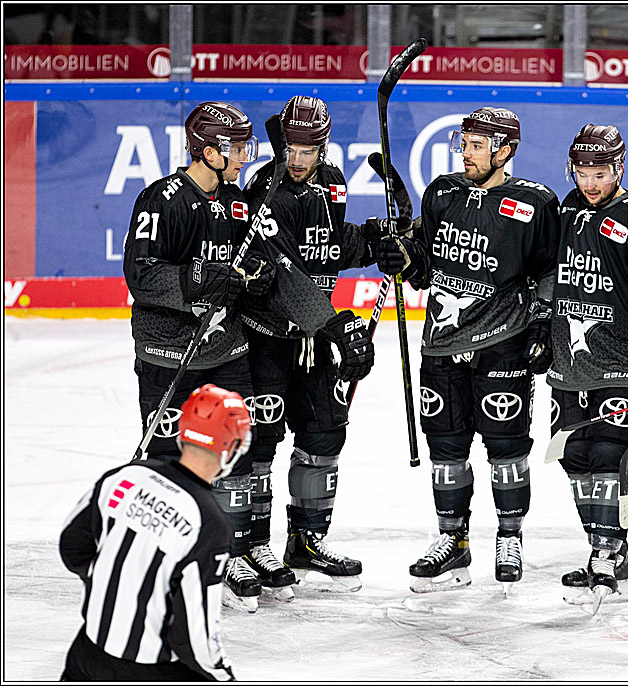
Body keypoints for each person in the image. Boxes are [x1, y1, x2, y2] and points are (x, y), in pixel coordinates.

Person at [376, 107, 560, 594]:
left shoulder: (536, 202)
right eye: (465, 144)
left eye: (477, 146)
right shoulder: (442, 192)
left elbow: (550, 271)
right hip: (441, 342)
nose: (467, 153)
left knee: (506, 448)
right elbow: (424, 265)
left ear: (505, 150)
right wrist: (403, 256)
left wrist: (542, 323)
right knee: (447, 448)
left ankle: (509, 536)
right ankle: (453, 543)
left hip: (503, 342)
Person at [123, 101, 274, 612]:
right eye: (236, 148)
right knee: (169, 457)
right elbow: (141, 274)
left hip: (226, 348)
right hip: (170, 352)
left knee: (235, 451)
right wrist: (196, 280)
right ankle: (163, 550)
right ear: (208, 151)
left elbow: (255, 266)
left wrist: (257, 272)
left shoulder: (237, 203)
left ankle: (226, 551)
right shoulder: (160, 200)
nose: (244, 157)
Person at [237, 95, 376, 606]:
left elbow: (326, 245)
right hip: (266, 337)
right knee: (260, 442)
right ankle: (251, 543)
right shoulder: (262, 189)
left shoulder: (333, 181)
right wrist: (337, 324)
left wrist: (373, 241)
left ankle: (305, 540)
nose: (296, 160)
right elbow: (283, 271)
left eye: (307, 151)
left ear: (322, 146)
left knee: (323, 433)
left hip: (315, 339)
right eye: (290, 149)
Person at [547, 124, 628, 613]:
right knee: (574, 456)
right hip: (574, 360)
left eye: (599, 173)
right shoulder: (570, 208)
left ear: (618, 168)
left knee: (609, 454)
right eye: (582, 172)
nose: (589, 182)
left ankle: (607, 553)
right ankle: (606, 553)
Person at [60, 384, 250, 681]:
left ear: (182, 430)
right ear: (229, 448)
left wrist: (120, 585)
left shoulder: (126, 475)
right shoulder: (209, 524)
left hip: (86, 655)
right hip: (150, 671)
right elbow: (194, 638)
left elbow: (72, 546)